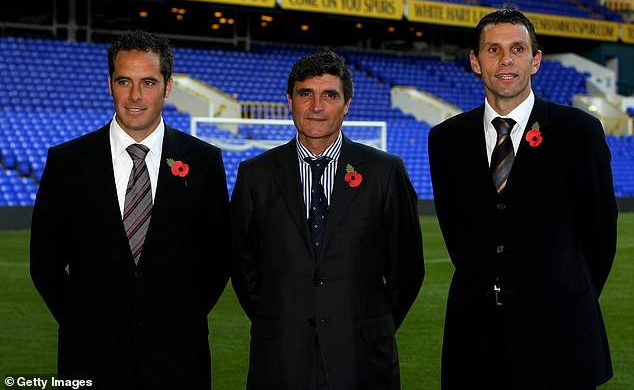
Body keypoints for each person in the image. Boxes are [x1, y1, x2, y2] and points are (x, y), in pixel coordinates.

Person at [428, 9, 618, 390]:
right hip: (475, 340)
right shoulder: (445, 139)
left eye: (517, 49)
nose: (505, 60)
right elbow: (457, 236)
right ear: (475, 61)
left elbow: (600, 235)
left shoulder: (577, 131)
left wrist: (561, 296)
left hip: (561, 337)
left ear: (535, 60)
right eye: (493, 49)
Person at [30, 30, 230, 390]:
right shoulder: (67, 163)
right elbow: (44, 264)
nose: (136, 96)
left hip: (178, 360)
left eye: (149, 82)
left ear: (168, 87)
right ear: (110, 85)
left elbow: (217, 261)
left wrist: (177, 320)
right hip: (90, 359)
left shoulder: (204, 162)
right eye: (125, 81)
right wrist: (83, 324)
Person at [231, 50, 424, 390]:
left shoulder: (385, 172)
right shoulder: (255, 175)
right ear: (290, 100)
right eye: (306, 94)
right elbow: (243, 266)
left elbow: (407, 269)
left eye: (330, 95)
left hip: (362, 359)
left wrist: (369, 324)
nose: (317, 106)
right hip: (280, 359)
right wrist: (281, 318)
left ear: (347, 103)